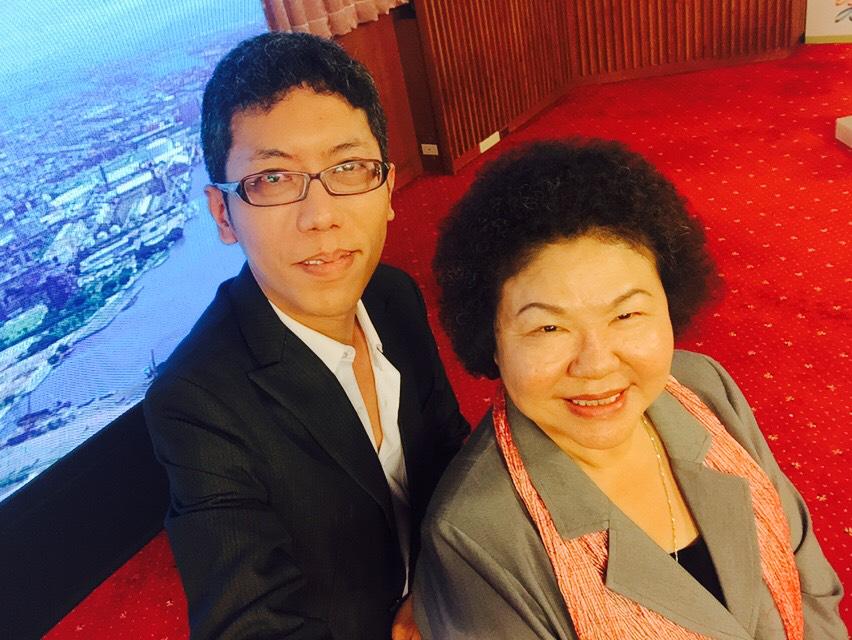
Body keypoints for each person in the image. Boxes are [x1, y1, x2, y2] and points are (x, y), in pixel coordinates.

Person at [414, 139, 846, 639]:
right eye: (549, 328)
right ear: (491, 340)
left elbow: (809, 582)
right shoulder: (475, 536)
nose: (597, 364)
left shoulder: (703, 387)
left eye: (626, 315)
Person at [144, 32, 469, 640]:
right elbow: (246, 623)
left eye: (348, 168)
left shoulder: (393, 295)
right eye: (272, 179)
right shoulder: (196, 400)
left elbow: (450, 451)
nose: (321, 216)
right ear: (223, 214)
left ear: (388, 188)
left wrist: (446, 586)